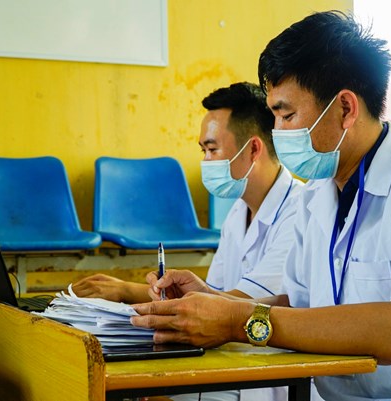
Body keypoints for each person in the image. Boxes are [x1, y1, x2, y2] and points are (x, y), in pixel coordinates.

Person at [132, 11, 391, 400]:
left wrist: (237, 321)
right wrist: (212, 302)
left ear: (345, 109)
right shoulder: (317, 196)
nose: (278, 132)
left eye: (287, 115)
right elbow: (298, 306)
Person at [72, 82, 304, 400]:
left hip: (270, 376)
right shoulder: (238, 212)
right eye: (202, 151)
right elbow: (214, 295)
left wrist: (128, 291)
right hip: (233, 360)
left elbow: (238, 305)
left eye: (212, 150)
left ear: (253, 149)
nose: (206, 161)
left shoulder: (299, 212)